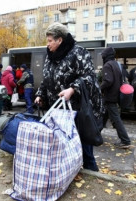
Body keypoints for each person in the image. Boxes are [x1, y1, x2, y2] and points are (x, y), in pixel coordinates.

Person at [34, 22, 104, 172]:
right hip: (58, 110)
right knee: (62, 145)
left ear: (60, 40)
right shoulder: (50, 57)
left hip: (77, 109)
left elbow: (90, 77)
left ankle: (92, 173)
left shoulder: (78, 52)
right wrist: (40, 94)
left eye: (50, 41)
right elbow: (46, 78)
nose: (47, 44)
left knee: (84, 146)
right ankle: (68, 172)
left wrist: (72, 89)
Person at [100, 47, 131, 149]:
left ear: (106, 56)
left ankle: (125, 140)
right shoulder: (116, 64)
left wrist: (99, 88)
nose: (102, 57)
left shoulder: (107, 65)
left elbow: (108, 80)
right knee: (104, 114)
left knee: (115, 118)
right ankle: (96, 134)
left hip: (110, 96)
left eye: (103, 55)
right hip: (115, 94)